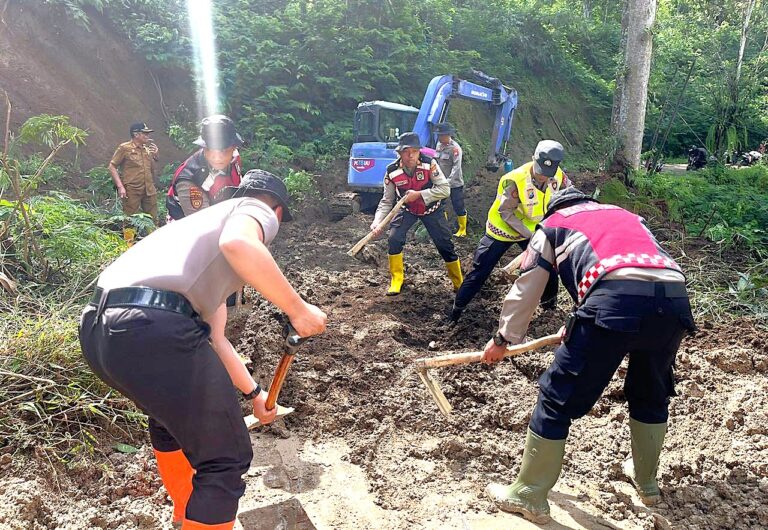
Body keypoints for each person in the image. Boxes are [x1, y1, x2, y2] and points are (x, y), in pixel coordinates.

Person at [78, 170, 327, 529]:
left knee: (168, 422)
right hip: (152, 323)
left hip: (101, 328)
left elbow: (217, 340)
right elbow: (241, 245)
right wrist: (299, 310)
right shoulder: (255, 209)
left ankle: (185, 516)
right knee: (226, 460)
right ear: (278, 213)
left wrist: (255, 393)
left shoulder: (195, 240)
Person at [482, 188, 695, 524]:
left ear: (554, 208)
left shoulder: (552, 226)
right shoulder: (627, 216)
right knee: (650, 391)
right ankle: (647, 483)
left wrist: (503, 338)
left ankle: (528, 494)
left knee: (556, 397)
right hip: (673, 301)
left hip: (614, 301)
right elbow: (632, 267)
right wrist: (584, 316)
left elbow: (527, 288)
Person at [449, 140, 570, 323]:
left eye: (547, 174)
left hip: (533, 228)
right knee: (480, 271)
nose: (543, 177)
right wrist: (532, 236)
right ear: (533, 160)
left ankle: (549, 310)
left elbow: (569, 192)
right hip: (503, 229)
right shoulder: (515, 180)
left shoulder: (558, 175)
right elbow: (506, 212)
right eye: (539, 172)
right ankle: (455, 313)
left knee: (548, 268)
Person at [370, 132, 463, 296]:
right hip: (408, 209)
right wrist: (377, 222)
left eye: (414, 151)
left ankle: (458, 283)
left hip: (432, 209)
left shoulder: (430, 164)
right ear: (399, 153)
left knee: (445, 245)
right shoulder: (391, 171)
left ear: (420, 151)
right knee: (394, 238)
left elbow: (444, 190)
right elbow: (386, 200)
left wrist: (419, 194)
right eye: (406, 151)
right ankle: (396, 279)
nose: (410, 155)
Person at [166, 115, 244, 221]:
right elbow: (203, 224)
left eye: (223, 151)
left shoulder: (234, 157)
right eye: (211, 150)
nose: (217, 157)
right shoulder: (191, 180)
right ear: (203, 147)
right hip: (188, 226)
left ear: (234, 148)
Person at [108, 122, 159, 237]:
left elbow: (152, 168)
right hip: (132, 190)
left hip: (149, 189)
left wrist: (156, 155)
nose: (148, 136)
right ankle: (129, 244)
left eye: (148, 134)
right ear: (136, 135)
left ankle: (154, 242)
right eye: (145, 134)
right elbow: (112, 166)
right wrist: (120, 187)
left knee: (152, 219)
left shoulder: (147, 149)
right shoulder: (124, 148)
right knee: (129, 220)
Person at [434, 122, 467, 237]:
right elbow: (437, 162)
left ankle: (462, 229)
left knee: (458, 205)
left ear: (448, 135)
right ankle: (444, 227)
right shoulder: (438, 145)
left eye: (441, 135)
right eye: (439, 135)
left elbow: (456, 167)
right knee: (440, 204)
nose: (440, 137)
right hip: (440, 182)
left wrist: (447, 181)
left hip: (454, 183)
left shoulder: (455, 148)